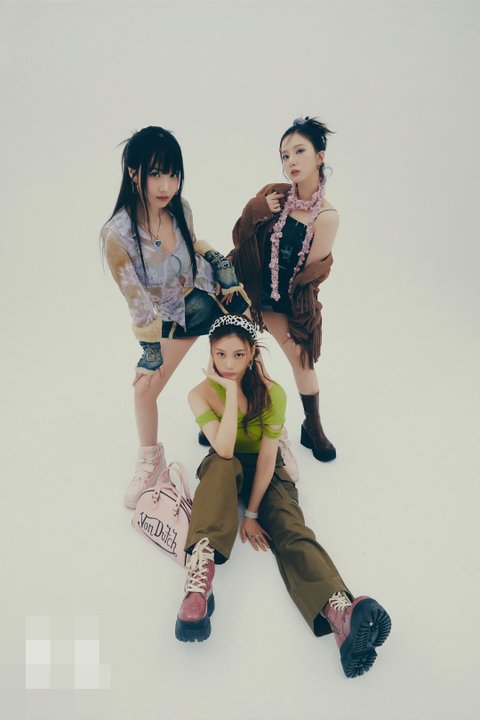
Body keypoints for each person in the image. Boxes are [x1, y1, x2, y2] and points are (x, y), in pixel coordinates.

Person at [175, 314, 391, 679]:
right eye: (220, 354)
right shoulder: (199, 394)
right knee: (220, 469)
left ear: (252, 354)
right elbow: (224, 449)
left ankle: (339, 613)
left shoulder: (273, 392)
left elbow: (266, 458)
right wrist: (229, 393)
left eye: (238, 355)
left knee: (291, 528)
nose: (229, 364)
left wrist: (252, 513)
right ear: (210, 354)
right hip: (224, 465)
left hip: (267, 468)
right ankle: (199, 584)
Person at [101, 126, 249, 508]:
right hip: (175, 315)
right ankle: (150, 461)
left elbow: (194, 245)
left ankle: (264, 431)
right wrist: (151, 352)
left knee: (246, 360)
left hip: (213, 296)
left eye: (173, 173)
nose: (166, 185)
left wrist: (222, 271)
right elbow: (136, 300)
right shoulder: (117, 236)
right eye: (155, 173)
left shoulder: (180, 207)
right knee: (144, 388)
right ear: (133, 173)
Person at [230, 116, 339, 462]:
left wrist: (301, 322)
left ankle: (312, 426)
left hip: (283, 302)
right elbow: (240, 238)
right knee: (235, 351)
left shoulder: (327, 217)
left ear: (320, 156)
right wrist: (257, 209)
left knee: (301, 357)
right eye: (284, 155)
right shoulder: (275, 194)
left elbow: (310, 277)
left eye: (299, 151)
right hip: (249, 289)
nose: (291, 160)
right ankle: (225, 417)